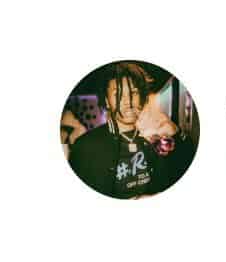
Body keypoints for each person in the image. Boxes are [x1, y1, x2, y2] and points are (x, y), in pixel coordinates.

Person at [67, 63, 195, 198]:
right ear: (107, 101)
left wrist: (175, 132)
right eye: (118, 94)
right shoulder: (86, 147)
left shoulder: (155, 135)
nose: (128, 101)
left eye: (134, 92)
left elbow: (183, 168)